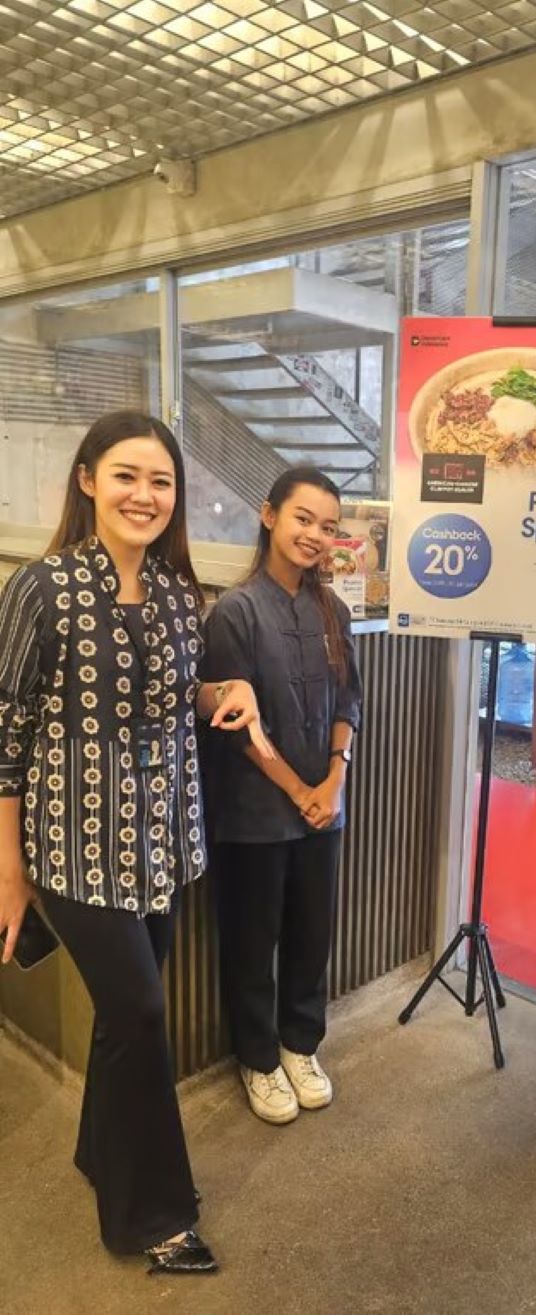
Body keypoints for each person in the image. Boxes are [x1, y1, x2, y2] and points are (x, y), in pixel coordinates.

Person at [0, 411, 272, 1273]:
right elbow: (6, 732)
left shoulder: (175, 590)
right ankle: (154, 1217)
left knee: (126, 1017)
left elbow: (178, 695)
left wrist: (225, 689)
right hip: (71, 846)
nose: (144, 495)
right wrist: (8, 868)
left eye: (161, 481)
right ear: (88, 480)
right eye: (126, 475)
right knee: (143, 1013)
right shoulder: (41, 588)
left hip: (160, 840)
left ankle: (99, 1151)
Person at [201, 466, 362, 1125]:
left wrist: (334, 780)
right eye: (303, 518)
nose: (314, 535)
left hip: (324, 807)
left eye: (327, 526)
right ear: (269, 516)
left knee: (310, 933)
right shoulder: (235, 611)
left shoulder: (335, 611)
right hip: (255, 812)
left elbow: (348, 701)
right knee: (251, 938)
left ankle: (300, 1044)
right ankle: (258, 1059)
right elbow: (239, 728)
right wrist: (301, 790)